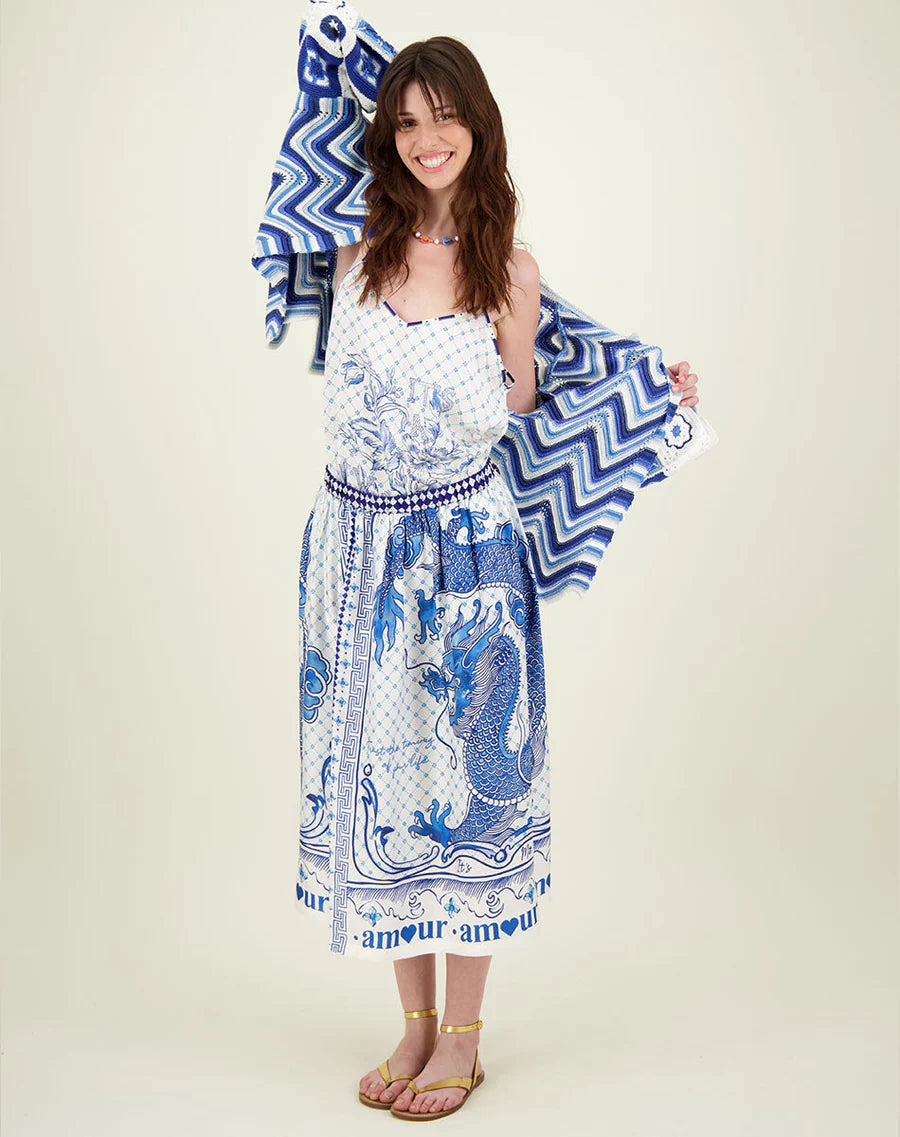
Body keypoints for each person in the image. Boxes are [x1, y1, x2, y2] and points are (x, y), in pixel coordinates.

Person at [252, 0, 714, 1121]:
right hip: (355, 560)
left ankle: (462, 1040)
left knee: (468, 795)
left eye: (446, 116)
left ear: (479, 127)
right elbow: (305, 137)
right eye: (407, 120)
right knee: (384, 791)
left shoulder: (510, 273)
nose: (427, 139)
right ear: (388, 134)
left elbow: (527, 409)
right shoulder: (354, 250)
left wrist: (646, 390)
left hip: (466, 571)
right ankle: (412, 1027)